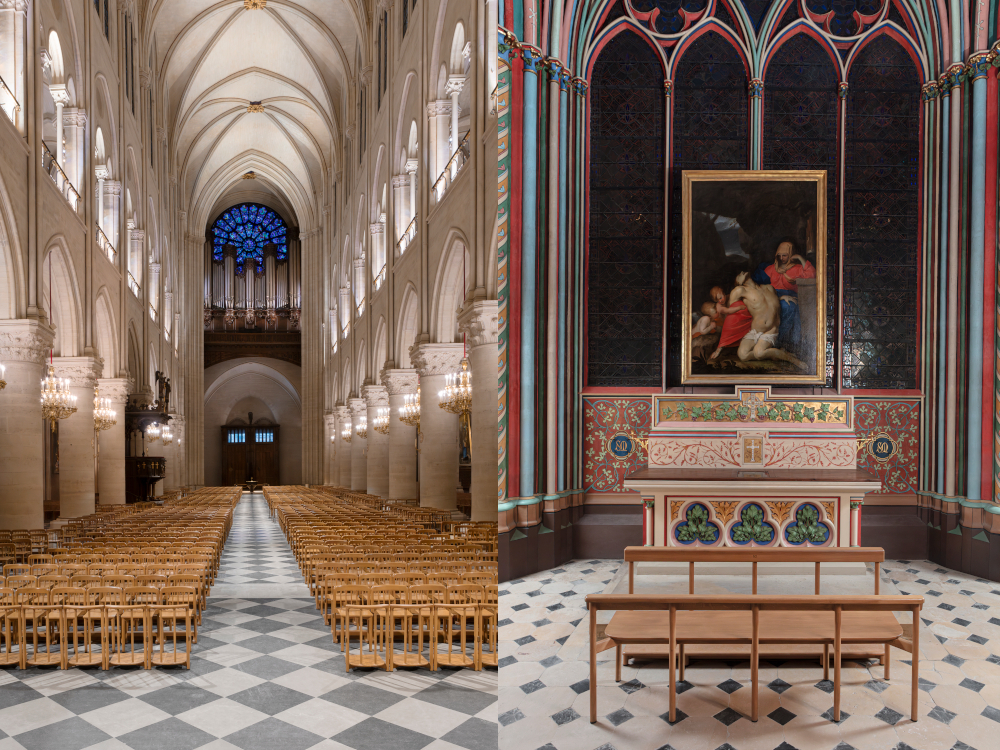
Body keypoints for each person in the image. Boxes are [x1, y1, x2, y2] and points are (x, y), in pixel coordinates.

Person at [718, 271, 805, 367]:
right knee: (742, 355)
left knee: (759, 353)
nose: (741, 272)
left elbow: (770, 304)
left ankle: (793, 360)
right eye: (738, 275)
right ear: (738, 282)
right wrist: (722, 345)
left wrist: (783, 297)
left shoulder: (768, 287)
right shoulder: (740, 291)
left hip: (771, 330)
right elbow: (730, 316)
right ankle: (775, 354)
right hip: (755, 330)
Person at [751, 239, 815, 355]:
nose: (781, 258)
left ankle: (779, 341)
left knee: (787, 307)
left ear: (791, 255)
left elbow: (812, 274)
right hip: (772, 297)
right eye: (779, 255)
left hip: (791, 297)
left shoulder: (797, 268)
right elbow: (760, 285)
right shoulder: (771, 268)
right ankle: (762, 340)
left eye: (784, 255)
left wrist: (800, 258)